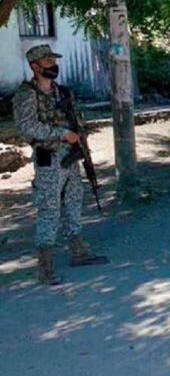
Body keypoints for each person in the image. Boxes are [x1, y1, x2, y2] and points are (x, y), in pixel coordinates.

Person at [12, 44, 108, 285]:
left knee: (74, 201)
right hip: (49, 157)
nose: (53, 65)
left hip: (71, 155)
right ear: (34, 66)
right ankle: (45, 266)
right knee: (49, 208)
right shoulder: (27, 94)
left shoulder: (62, 92)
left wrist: (79, 141)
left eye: (54, 61)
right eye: (47, 62)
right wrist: (61, 134)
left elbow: (75, 120)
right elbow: (26, 127)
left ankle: (77, 250)